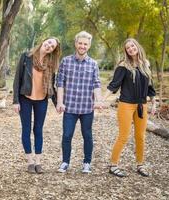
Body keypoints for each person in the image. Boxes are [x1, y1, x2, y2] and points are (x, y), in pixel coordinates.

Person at [102, 38, 156, 177]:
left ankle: (140, 164)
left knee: (140, 136)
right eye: (128, 48)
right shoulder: (124, 65)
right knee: (124, 136)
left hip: (141, 105)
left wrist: (154, 102)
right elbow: (114, 85)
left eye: (132, 46)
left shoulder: (146, 64)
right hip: (126, 104)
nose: (131, 49)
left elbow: (150, 86)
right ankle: (113, 165)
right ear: (126, 51)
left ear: (137, 46)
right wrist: (102, 99)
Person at [56, 31, 103, 173]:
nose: (82, 46)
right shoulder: (66, 61)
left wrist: (98, 101)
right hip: (69, 107)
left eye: (85, 44)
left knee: (87, 135)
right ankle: (65, 162)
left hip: (87, 108)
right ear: (76, 44)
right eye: (80, 43)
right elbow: (60, 83)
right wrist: (59, 102)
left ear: (89, 46)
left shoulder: (93, 64)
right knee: (67, 135)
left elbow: (96, 84)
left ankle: (87, 163)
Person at [13, 37, 61, 174]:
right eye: (49, 43)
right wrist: (15, 101)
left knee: (38, 130)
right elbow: (18, 79)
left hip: (42, 100)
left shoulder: (50, 64)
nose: (49, 46)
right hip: (25, 98)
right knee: (26, 130)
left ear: (53, 51)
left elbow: (51, 85)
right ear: (44, 41)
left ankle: (38, 162)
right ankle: (30, 162)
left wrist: (57, 103)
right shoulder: (26, 57)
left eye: (52, 47)